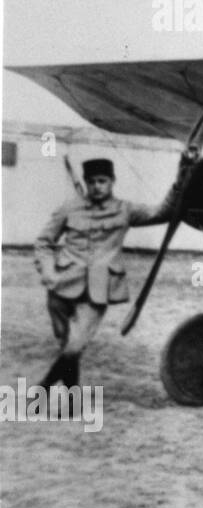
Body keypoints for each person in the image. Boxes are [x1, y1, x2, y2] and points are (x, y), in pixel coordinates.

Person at [33, 158, 176, 388]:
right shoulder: (69, 208)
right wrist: (48, 271)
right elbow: (43, 242)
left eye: (102, 181)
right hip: (61, 287)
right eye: (91, 182)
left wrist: (180, 184)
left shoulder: (125, 210)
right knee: (67, 346)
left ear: (112, 182)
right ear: (86, 183)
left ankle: (43, 388)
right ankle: (72, 403)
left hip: (97, 290)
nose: (97, 186)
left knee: (75, 346)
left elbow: (163, 212)